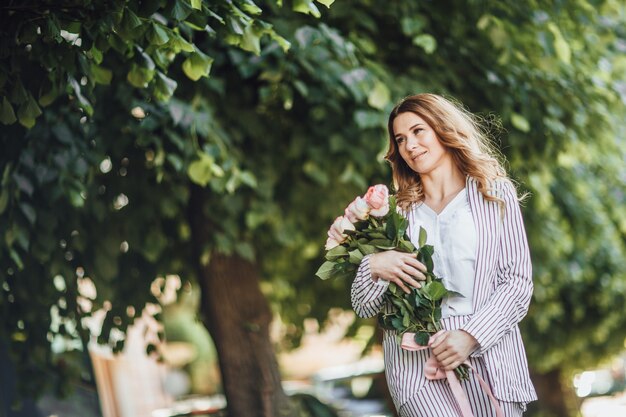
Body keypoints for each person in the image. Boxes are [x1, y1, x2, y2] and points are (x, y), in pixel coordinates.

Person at [351, 93, 537, 417]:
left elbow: (517, 283)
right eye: (400, 138)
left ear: (443, 129)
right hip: (416, 369)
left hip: (489, 356)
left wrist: (470, 336)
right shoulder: (393, 214)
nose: (410, 145)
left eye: (418, 131)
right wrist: (375, 265)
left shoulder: (493, 194)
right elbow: (363, 305)